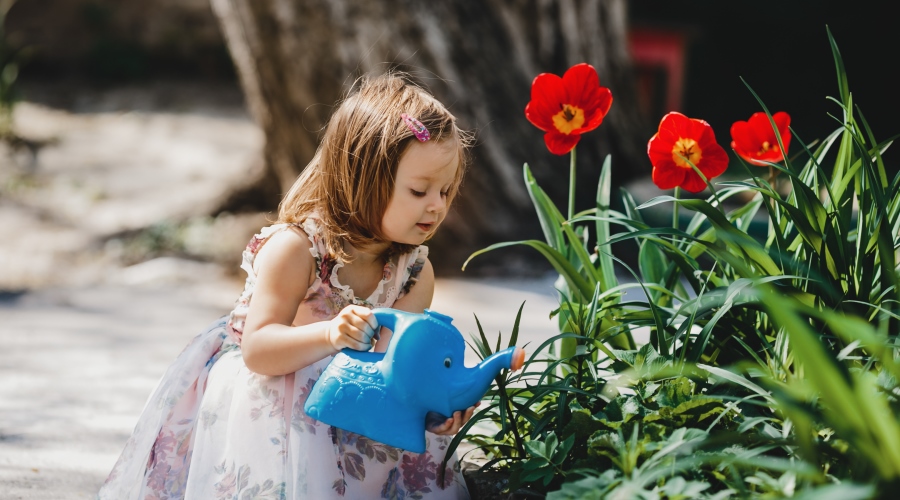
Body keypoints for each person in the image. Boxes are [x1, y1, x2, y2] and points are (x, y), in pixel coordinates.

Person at [99, 72, 474, 499]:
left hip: (353, 408)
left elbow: (398, 373)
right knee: (302, 394)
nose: (437, 206)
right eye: (419, 189)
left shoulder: (413, 273)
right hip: (277, 400)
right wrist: (331, 334)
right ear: (362, 178)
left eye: (445, 191)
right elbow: (258, 350)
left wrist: (432, 408)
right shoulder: (297, 250)